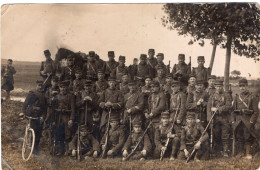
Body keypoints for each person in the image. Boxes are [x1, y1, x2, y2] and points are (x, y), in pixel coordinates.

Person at [231, 78, 259, 159]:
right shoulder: (236, 97)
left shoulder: (252, 97)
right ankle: (240, 153)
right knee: (239, 137)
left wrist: (251, 122)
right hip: (238, 121)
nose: (242, 88)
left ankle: (248, 154)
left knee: (248, 137)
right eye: (240, 86)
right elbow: (233, 110)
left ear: (247, 86)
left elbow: (256, 112)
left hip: (247, 121)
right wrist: (233, 121)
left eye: (243, 86)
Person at [207, 79, 232, 157]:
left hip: (224, 118)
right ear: (215, 87)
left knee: (225, 134)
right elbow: (208, 107)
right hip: (215, 118)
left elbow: (228, 106)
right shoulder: (212, 95)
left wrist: (218, 109)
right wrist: (209, 117)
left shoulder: (227, 95)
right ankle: (218, 150)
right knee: (216, 134)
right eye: (217, 86)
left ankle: (225, 151)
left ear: (222, 86)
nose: (219, 88)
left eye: (220, 86)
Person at [22, 80, 46, 155]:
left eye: (41, 86)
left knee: (38, 132)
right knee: (32, 129)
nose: (40, 87)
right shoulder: (32, 93)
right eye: (39, 85)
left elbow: (45, 108)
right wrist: (23, 112)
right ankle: (28, 144)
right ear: (36, 85)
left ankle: (35, 148)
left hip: (39, 116)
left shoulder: (43, 95)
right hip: (31, 114)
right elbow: (25, 104)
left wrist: (43, 116)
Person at [54, 81, 76, 155]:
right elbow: (54, 108)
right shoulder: (57, 96)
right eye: (61, 87)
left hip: (67, 116)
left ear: (66, 87)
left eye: (64, 87)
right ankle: (60, 150)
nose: (63, 89)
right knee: (59, 133)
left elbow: (73, 109)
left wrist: (71, 119)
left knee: (68, 133)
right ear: (59, 88)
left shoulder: (71, 96)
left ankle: (68, 150)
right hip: (59, 117)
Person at [145, 80, 166, 147]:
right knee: (151, 133)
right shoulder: (150, 96)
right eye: (151, 87)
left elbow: (161, 106)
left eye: (154, 87)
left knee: (158, 134)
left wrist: (152, 113)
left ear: (158, 87)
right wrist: (146, 113)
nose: (152, 88)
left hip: (158, 118)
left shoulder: (162, 95)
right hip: (151, 119)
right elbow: (147, 106)